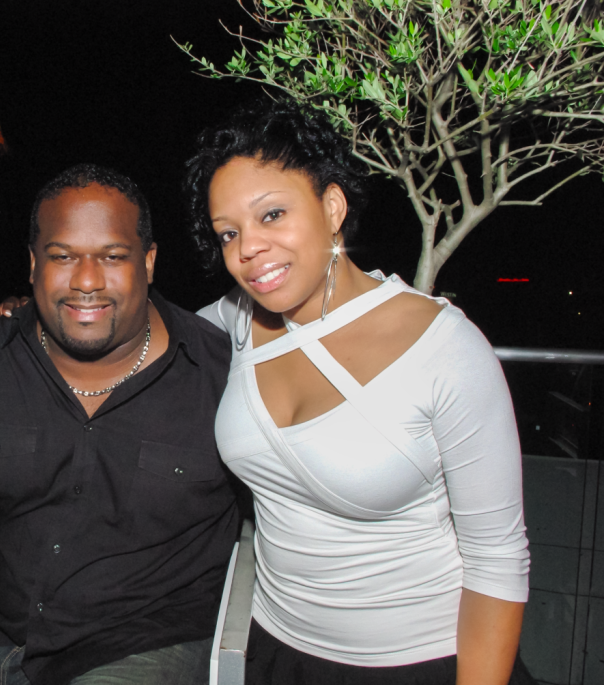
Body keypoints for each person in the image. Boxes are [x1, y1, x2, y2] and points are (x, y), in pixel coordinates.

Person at [186, 99, 531, 684]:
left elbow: (497, 559)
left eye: (272, 215)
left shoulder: (443, 348)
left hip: (418, 661)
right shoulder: (234, 321)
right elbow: (140, 333)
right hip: (276, 651)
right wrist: (24, 317)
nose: (247, 249)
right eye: (229, 233)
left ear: (333, 206)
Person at [0, 164, 240, 685]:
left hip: (144, 644)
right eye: (62, 257)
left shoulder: (223, 377)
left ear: (148, 261)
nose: (85, 281)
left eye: (112, 256)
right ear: (34, 264)